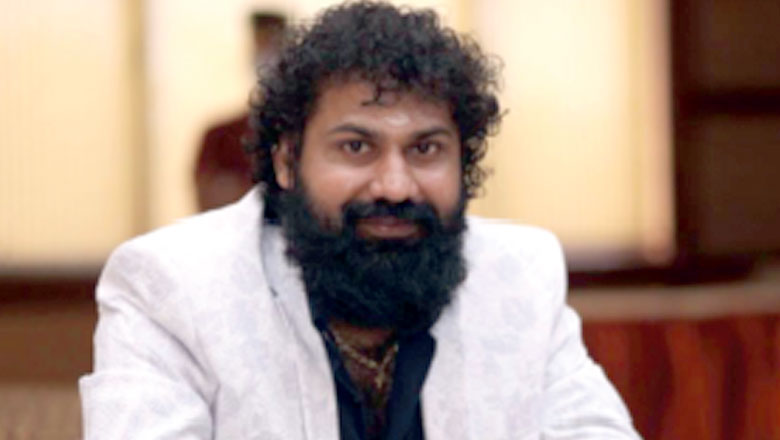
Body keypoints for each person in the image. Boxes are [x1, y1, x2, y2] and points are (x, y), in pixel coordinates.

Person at [80, 2, 641, 439]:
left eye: (425, 149)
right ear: (287, 161)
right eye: (355, 147)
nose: (395, 186)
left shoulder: (519, 277)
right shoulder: (172, 288)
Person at [194, 11, 286, 211]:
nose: (266, 58)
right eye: (259, 47)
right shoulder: (220, 137)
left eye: (272, 47)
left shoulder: (303, 133)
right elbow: (210, 202)